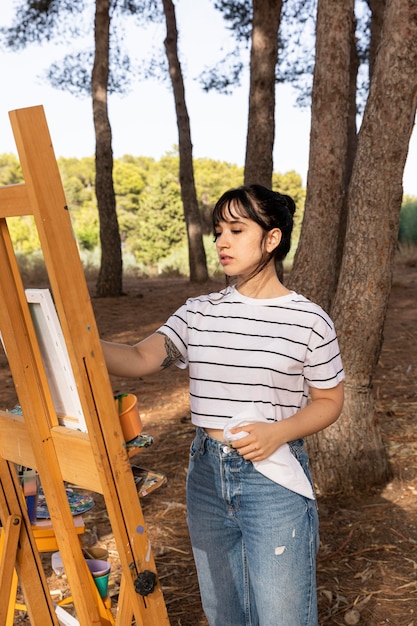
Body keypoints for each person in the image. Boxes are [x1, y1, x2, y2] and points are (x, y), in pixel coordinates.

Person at [101, 184, 345, 626]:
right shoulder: (198, 312)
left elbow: (329, 401)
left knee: (282, 616)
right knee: (224, 612)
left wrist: (279, 432)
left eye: (236, 229)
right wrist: (72, 342)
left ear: (272, 239)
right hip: (207, 478)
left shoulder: (308, 319)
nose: (222, 242)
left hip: (273, 478)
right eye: (218, 232)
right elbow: (139, 357)